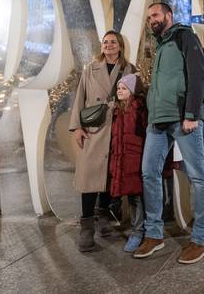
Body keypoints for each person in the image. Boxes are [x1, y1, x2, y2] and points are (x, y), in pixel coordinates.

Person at [133, 2, 204, 264]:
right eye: (148, 17)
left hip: (182, 119)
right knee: (149, 173)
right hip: (157, 121)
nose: (151, 20)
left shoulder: (183, 36)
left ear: (168, 15)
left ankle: (200, 240)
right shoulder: (160, 45)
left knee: (199, 177)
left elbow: (199, 75)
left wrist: (191, 114)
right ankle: (154, 235)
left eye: (155, 15)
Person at [68, 30, 136, 252]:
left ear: (120, 46)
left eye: (113, 42)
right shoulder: (91, 69)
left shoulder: (129, 69)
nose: (108, 45)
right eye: (105, 42)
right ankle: (87, 226)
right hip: (94, 129)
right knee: (89, 177)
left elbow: (136, 98)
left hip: (117, 127)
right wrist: (77, 126)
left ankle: (104, 217)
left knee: (109, 174)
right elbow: (80, 97)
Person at [109, 73, 148, 252]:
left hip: (136, 160)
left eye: (124, 88)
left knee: (137, 197)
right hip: (124, 160)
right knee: (132, 197)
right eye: (118, 88)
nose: (119, 91)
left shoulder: (138, 108)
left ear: (132, 90)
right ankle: (137, 229)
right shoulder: (118, 110)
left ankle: (138, 231)